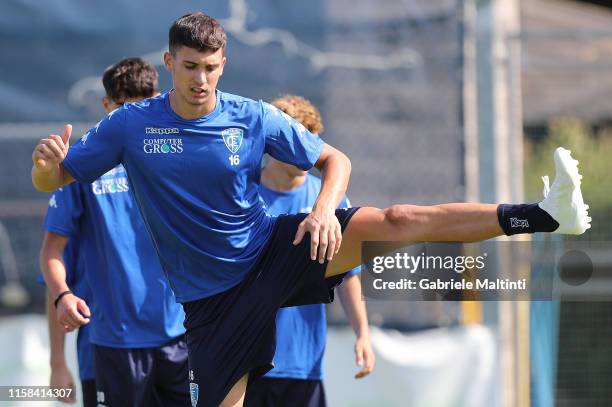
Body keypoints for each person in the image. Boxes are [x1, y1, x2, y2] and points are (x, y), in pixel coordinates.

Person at [31, 12, 590, 407]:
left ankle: (541, 213)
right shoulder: (132, 124)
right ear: (169, 62)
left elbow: (335, 160)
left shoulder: (250, 116)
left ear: (224, 64)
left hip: (273, 251)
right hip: (209, 306)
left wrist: (323, 211)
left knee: (395, 220)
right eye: (190, 66)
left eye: (211, 67)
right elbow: (53, 178)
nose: (201, 79)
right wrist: (44, 165)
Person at [38, 57, 189, 407]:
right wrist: (57, 363)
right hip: (108, 347)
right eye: (123, 108)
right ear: (106, 106)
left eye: (142, 106)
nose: (132, 120)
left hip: (179, 340)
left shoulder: (180, 160)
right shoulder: (79, 170)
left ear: (157, 99)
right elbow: (55, 260)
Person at [245, 95, 374, 407]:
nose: (307, 156)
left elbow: (346, 275)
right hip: (246, 363)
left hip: (303, 365)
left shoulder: (327, 198)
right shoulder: (243, 196)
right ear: (275, 144)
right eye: (298, 145)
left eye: (311, 145)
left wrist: (363, 333)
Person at [39, 236, 95, 406]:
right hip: (99, 357)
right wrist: (57, 364)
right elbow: (57, 290)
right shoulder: (77, 213)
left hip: (171, 350)